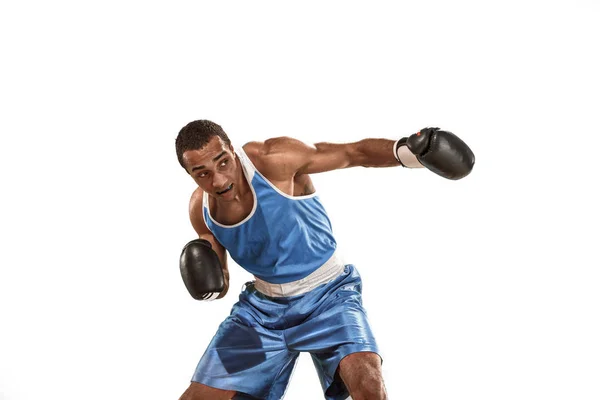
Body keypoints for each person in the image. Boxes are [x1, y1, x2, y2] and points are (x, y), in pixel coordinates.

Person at [175, 120, 475, 400]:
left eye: (223, 162)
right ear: (190, 174)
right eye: (201, 172)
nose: (218, 179)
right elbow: (222, 281)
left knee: (369, 385)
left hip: (329, 298)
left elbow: (351, 153)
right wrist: (209, 281)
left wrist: (406, 151)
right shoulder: (199, 210)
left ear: (232, 150)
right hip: (261, 316)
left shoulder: (273, 159)